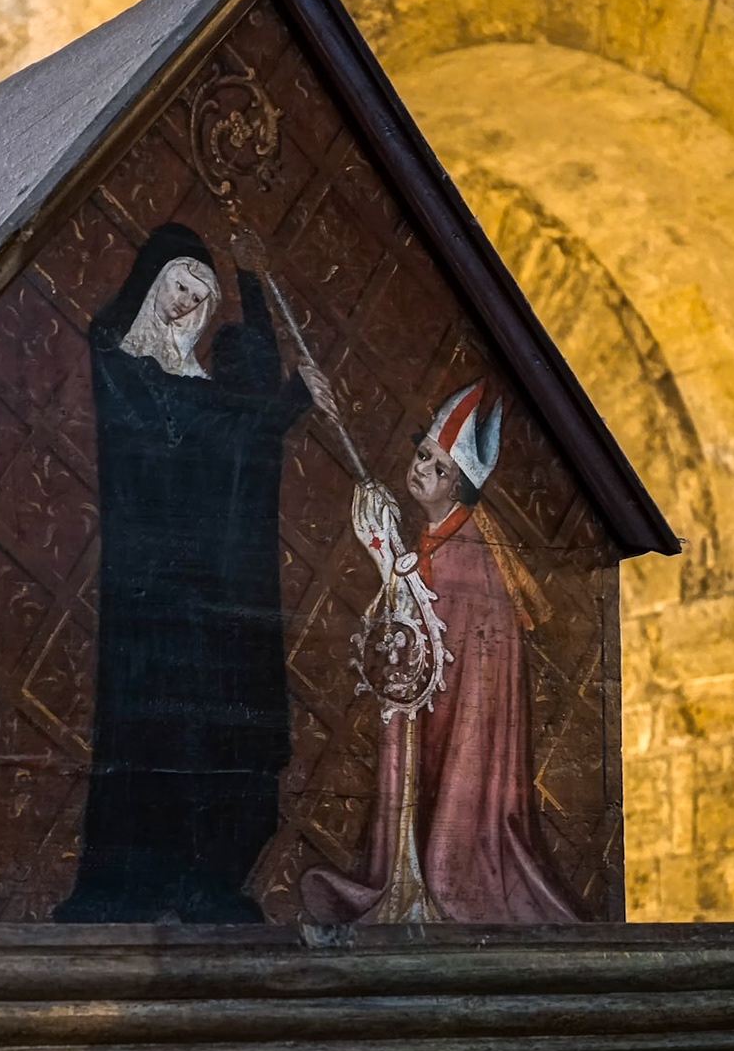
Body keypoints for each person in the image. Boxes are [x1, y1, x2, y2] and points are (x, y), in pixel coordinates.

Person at [55, 223, 339, 923]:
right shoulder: (121, 362)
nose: (187, 304)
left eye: (201, 296)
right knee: (159, 742)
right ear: (153, 285)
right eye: (181, 285)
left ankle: (208, 879)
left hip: (219, 599)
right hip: (155, 607)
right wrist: (284, 405)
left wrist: (250, 284)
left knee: (224, 740)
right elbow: (194, 429)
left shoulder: (195, 380)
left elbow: (242, 431)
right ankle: (139, 883)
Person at [302, 381, 578, 924]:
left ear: (459, 488)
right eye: (423, 454)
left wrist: (386, 555)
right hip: (430, 706)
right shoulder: (436, 536)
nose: (422, 469)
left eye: (439, 468)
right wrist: (389, 551)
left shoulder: (471, 549)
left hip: (458, 716)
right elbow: (415, 625)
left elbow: (438, 632)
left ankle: (444, 876)